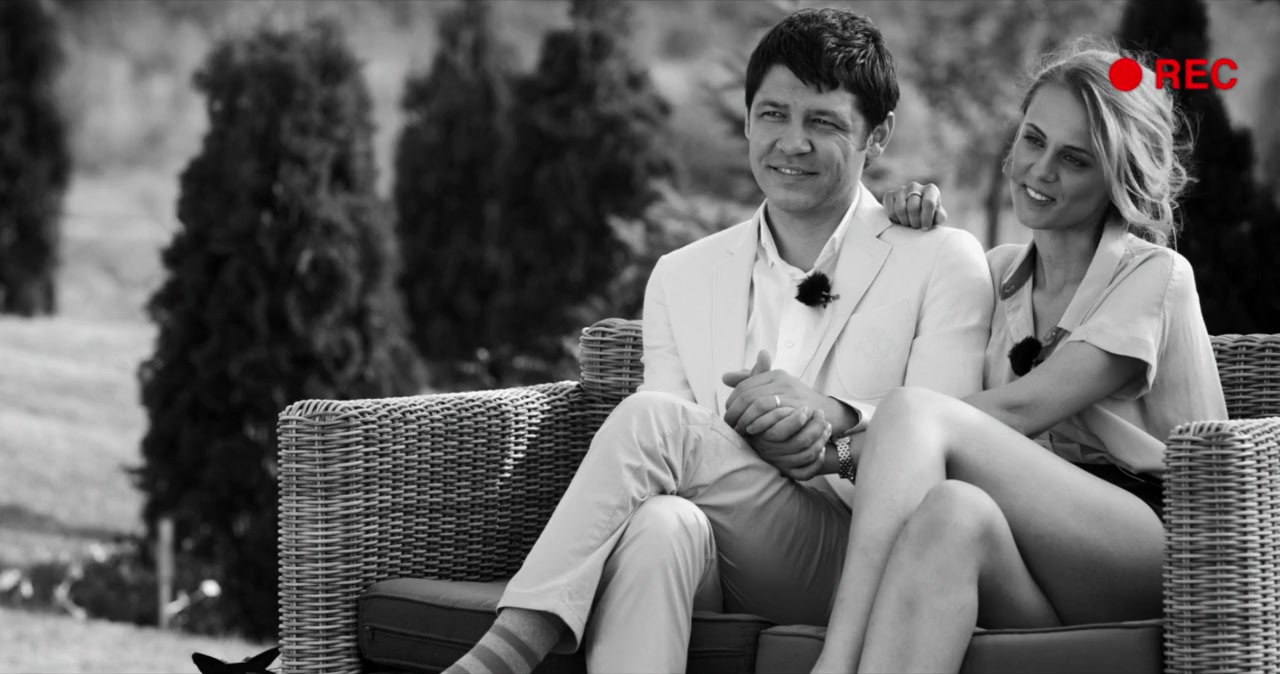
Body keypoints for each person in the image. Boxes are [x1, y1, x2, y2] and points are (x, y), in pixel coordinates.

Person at [445, 8, 993, 674]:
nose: (792, 143)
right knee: (660, 525)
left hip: (865, 559)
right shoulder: (682, 275)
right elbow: (663, 470)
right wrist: (748, 438)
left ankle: (505, 652)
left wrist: (832, 440)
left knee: (652, 421)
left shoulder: (938, 259)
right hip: (721, 552)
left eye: (823, 122)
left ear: (876, 137)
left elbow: (953, 448)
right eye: (773, 115)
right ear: (747, 121)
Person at [809, 39, 1229, 673]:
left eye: (1074, 159)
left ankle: (833, 663)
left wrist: (840, 451)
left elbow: (1018, 409)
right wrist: (917, 239)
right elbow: (906, 369)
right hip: (1034, 553)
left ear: (1118, 177)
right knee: (952, 514)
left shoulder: (1156, 275)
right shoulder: (994, 273)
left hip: (1153, 549)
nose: (1040, 169)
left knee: (917, 412)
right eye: (1034, 139)